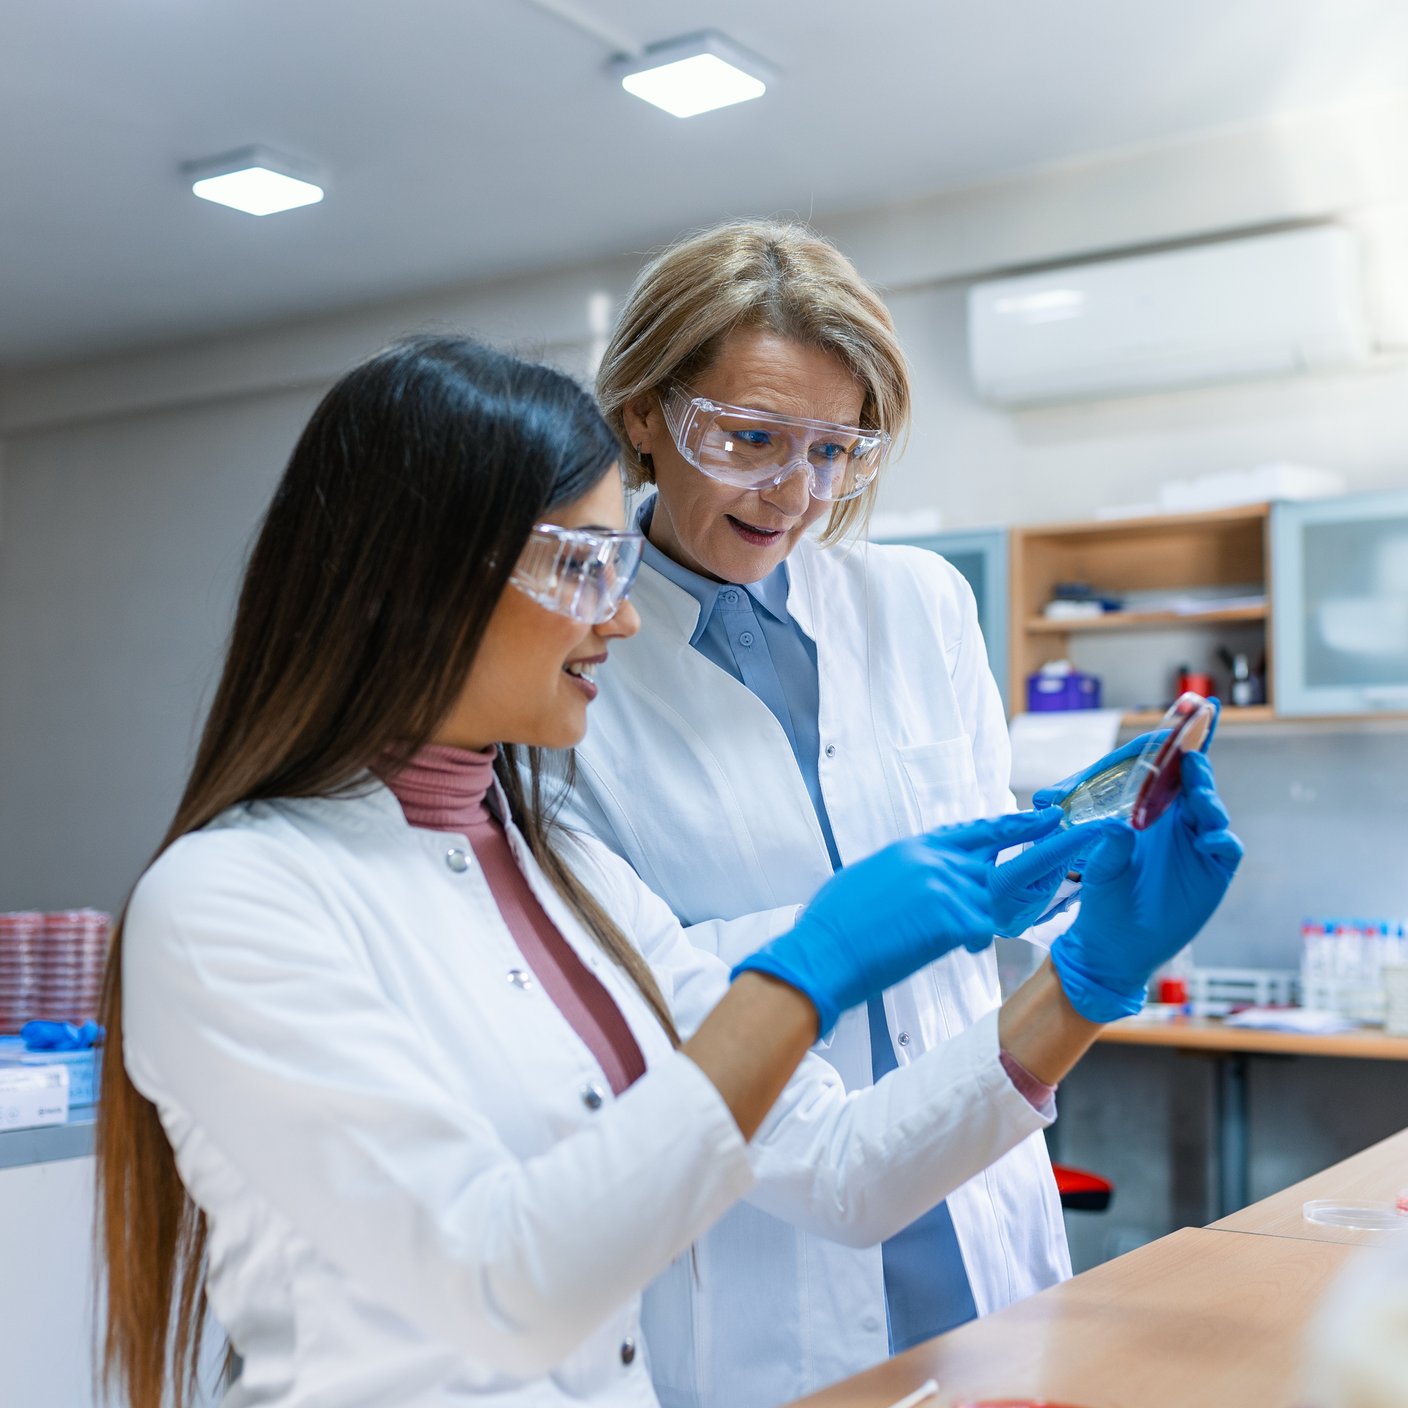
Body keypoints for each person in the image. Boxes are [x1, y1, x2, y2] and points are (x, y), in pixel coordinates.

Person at [95, 335, 1241, 1408]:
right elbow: (498, 1287)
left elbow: (835, 1169)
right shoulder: (229, 902)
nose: (623, 616)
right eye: (584, 565)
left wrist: (1085, 980)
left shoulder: (559, 867)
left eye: (617, 563)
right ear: (417, 579)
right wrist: (807, 971)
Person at [566, 218, 1173, 1406]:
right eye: (747, 437)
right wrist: (839, 928)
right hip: (754, 1254)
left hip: (978, 1201)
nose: (793, 492)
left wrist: (1086, 878)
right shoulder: (575, 653)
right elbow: (610, 993)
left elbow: (995, 886)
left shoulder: (920, 603)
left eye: (834, 449)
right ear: (643, 413)